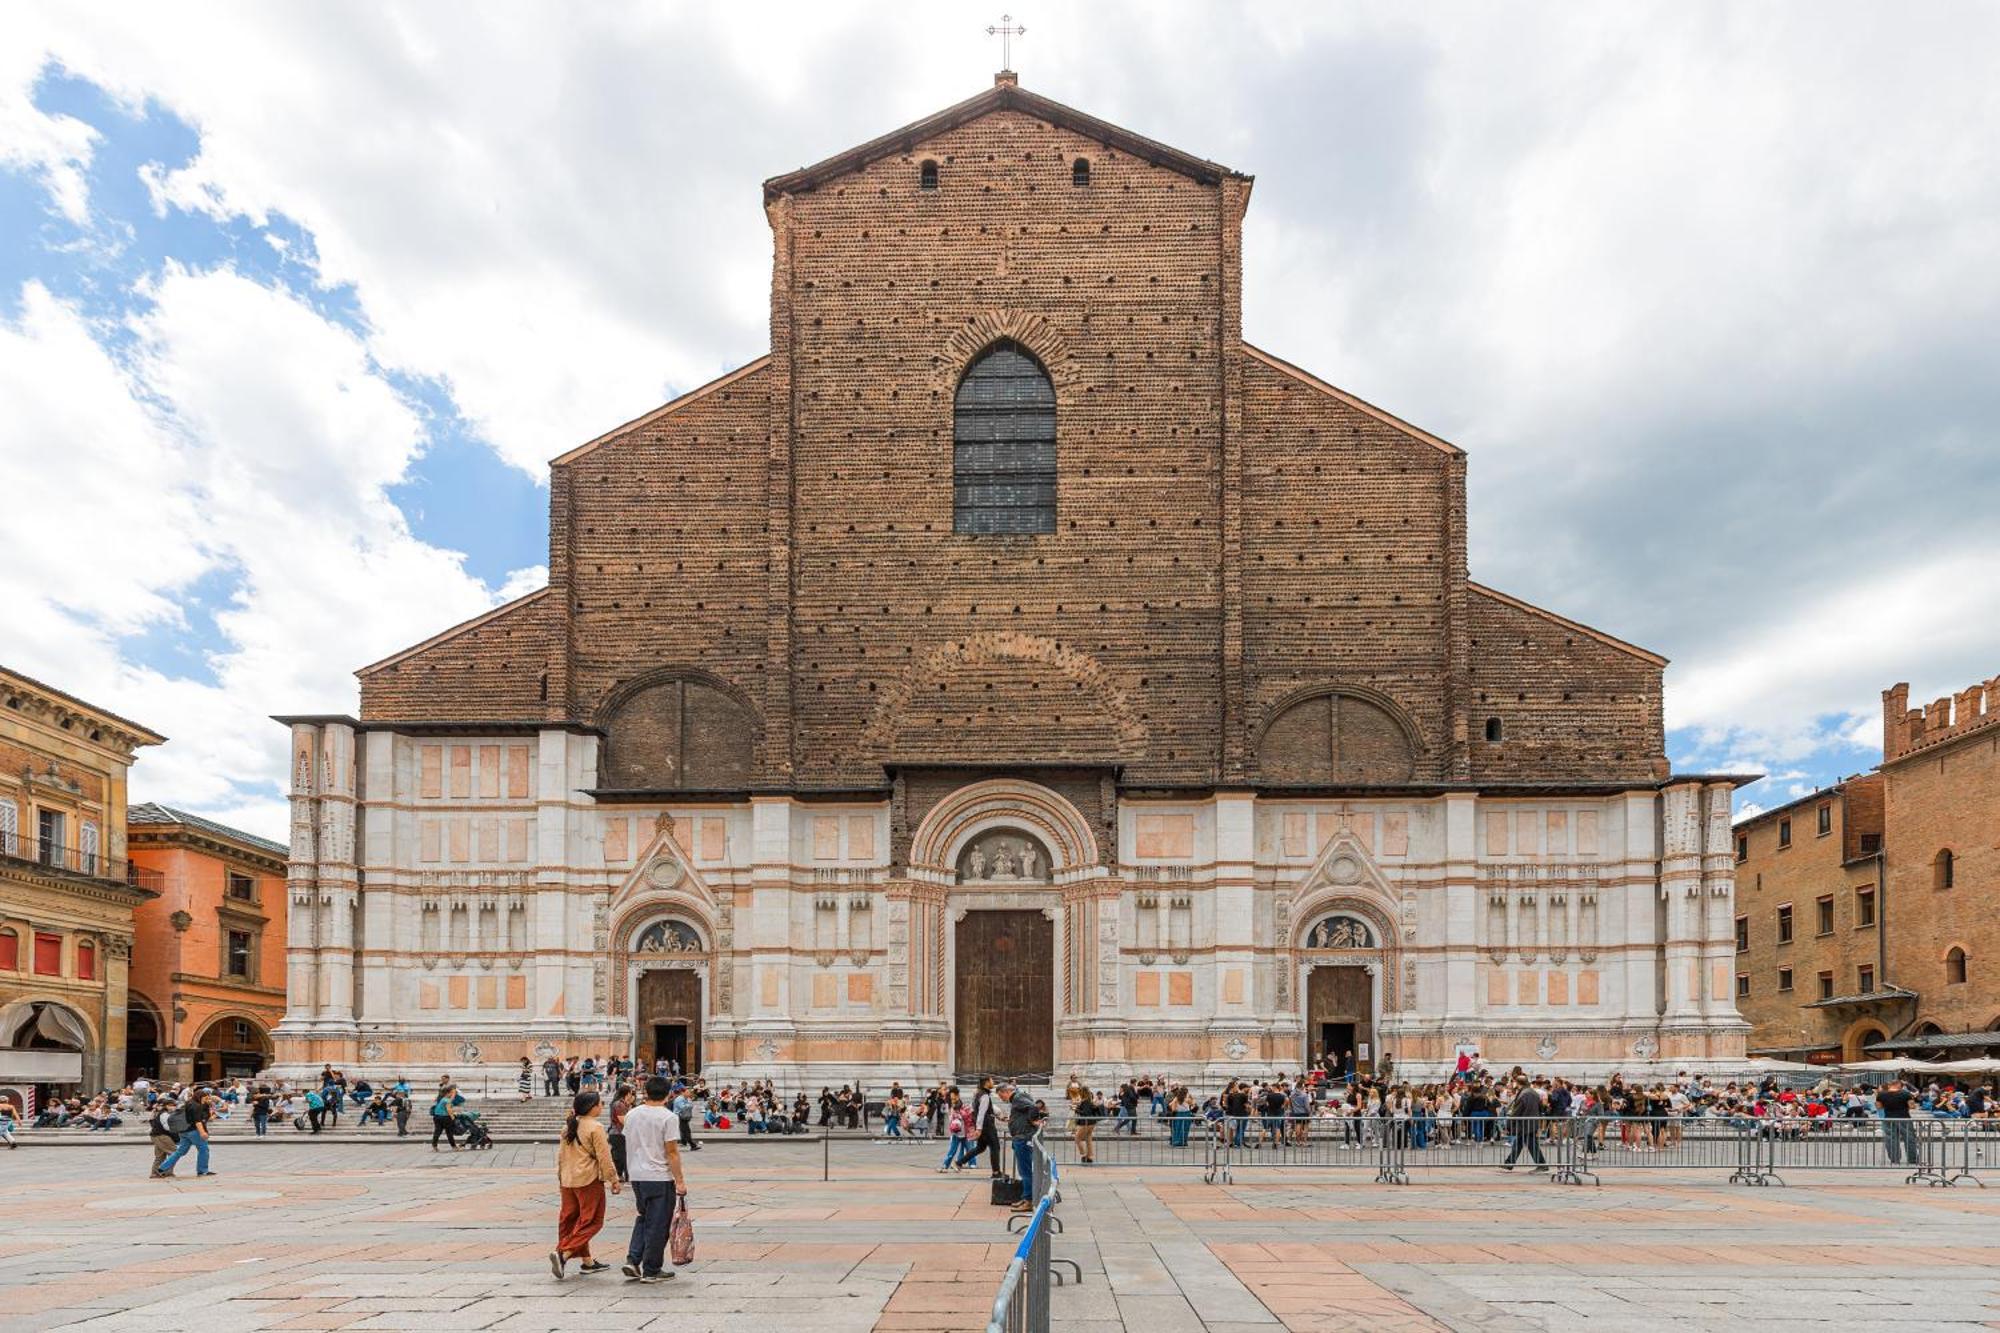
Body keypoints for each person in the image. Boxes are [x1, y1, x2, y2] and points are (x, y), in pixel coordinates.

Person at [621, 1076, 689, 1284]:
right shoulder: (668, 1117)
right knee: (658, 1224)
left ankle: (633, 1260)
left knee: (643, 1217)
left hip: (637, 1176)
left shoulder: (631, 1114)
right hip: (659, 1176)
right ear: (668, 1094)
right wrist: (680, 1181)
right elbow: (672, 1152)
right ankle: (651, 1269)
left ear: (645, 1092)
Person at [550, 1091, 620, 1280]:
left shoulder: (568, 1126)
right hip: (588, 1179)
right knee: (592, 1221)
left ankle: (587, 1261)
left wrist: (560, 1177)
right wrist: (613, 1179)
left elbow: (561, 1156)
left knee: (571, 1219)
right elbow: (604, 1157)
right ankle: (563, 1253)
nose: (602, 1107)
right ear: (592, 1107)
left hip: (567, 1179)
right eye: (600, 1104)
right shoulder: (595, 1127)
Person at [155, 1086, 217, 1179]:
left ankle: (161, 1168)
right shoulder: (196, 1106)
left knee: (180, 1151)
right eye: (204, 1098)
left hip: (184, 1131)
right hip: (194, 1131)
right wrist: (202, 1133)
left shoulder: (189, 1103)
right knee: (204, 1150)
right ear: (200, 1097)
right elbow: (197, 1121)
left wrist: (208, 1104)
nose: (205, 1100)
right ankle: (202, 1170)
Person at [1000, 1079, 1040, 1212]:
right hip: (1022, 1136)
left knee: (1025, 1171)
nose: (1002, 1099)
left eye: (1001, 1096)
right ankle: (1025, 1197)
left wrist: (1033, 1120)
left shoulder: (1017, 1097)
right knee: (1024, 1170)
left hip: (1023, 1138)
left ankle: (1028, 1200)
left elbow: (1033, 1107)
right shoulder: (1019, 1096)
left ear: (1006, 1091)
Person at [1501, 1080, 1547, 1171]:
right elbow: (1541, 1107)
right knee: (1519, 1143)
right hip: (1531, 1122)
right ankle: (1509, 1163)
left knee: (1531, 1145)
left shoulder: (1523, 1094)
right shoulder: (1533, 1092)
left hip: (1524, 1123)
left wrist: (1509, 1124)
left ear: (1518, 1083)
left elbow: (1516, 1111)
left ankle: (1542, 1165)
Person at [1877, 1079, 1918, 1164]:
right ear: (1898, 1085)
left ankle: (1894, 1159)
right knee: (1909, 1139)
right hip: (1904, 1118)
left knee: (1890, 1139)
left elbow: (1879, 1107)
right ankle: (1912, 1159)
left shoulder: (1881, 1094)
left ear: (1890, 1085)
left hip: (1888, 1118)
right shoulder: (1906, 1094)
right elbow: (1912, 1106)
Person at [146, 1095, 179, 1176]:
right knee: (174, 1153)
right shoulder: (164, 1114)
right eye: (172, 1105)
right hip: (161, 1135)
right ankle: (166, 1171)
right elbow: (167, 1127)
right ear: (167, 1106)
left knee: (160, 1155)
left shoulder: (164, 1113)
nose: (174, 1107)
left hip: (157, 1135)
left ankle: (155, 1172)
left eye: (175, 1105)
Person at [431, 1084, 462, 1151]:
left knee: (437, 1132)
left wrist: (453, 1093)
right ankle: (454, 1147)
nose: (454, 1094)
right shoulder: (447, 1100)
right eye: (452, 1093)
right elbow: (448, 1109)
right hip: (445, 1118)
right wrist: (453, 1118)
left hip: (437, 1117)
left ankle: (434, 1146)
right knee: (449, 1133)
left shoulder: (443, 1099)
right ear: (448, 1093)